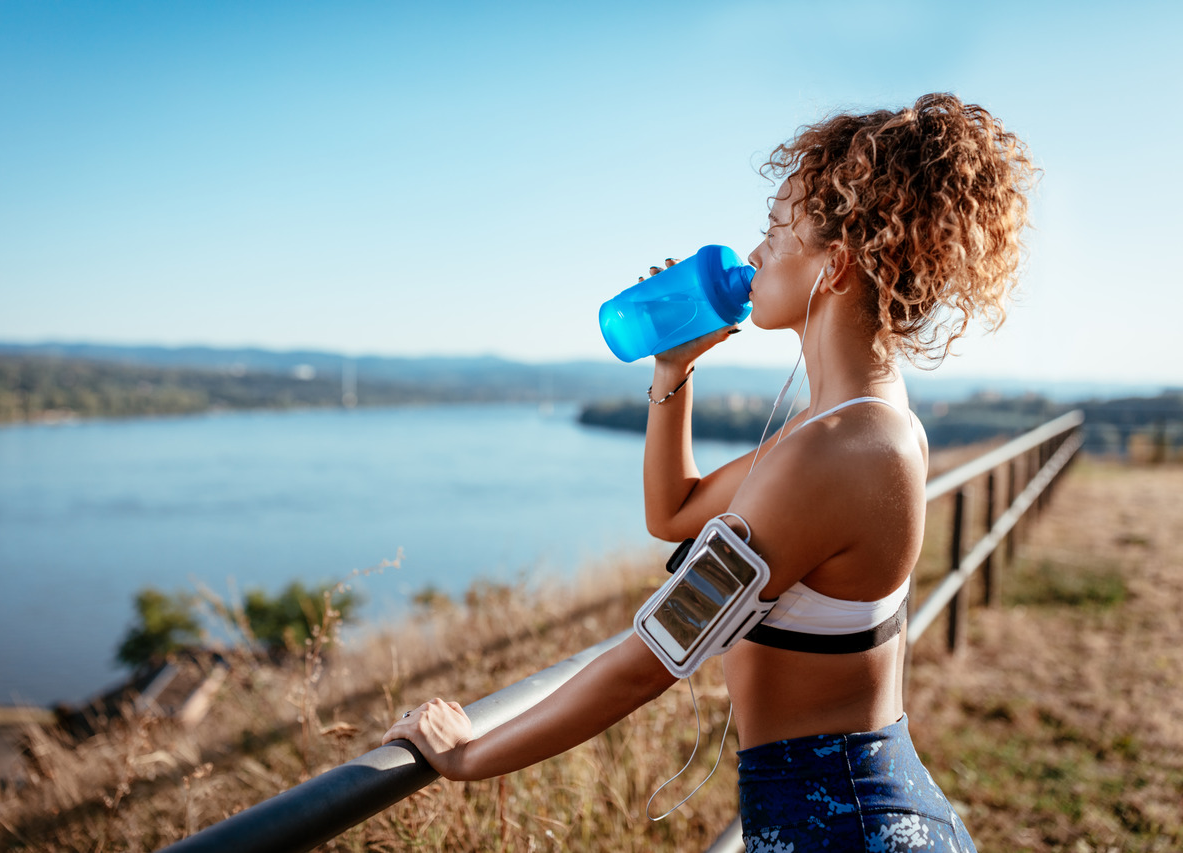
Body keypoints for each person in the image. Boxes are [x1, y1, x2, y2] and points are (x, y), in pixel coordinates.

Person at [383, 92, 1036, 851]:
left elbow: (653, 656)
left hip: (843, 826)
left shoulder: (838, 452)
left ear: (836, 264)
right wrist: (674, 367)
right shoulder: (852, 427)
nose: (753, 254)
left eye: (773, 230)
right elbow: (675, 511)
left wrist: (468, 755)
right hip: (848, 811)